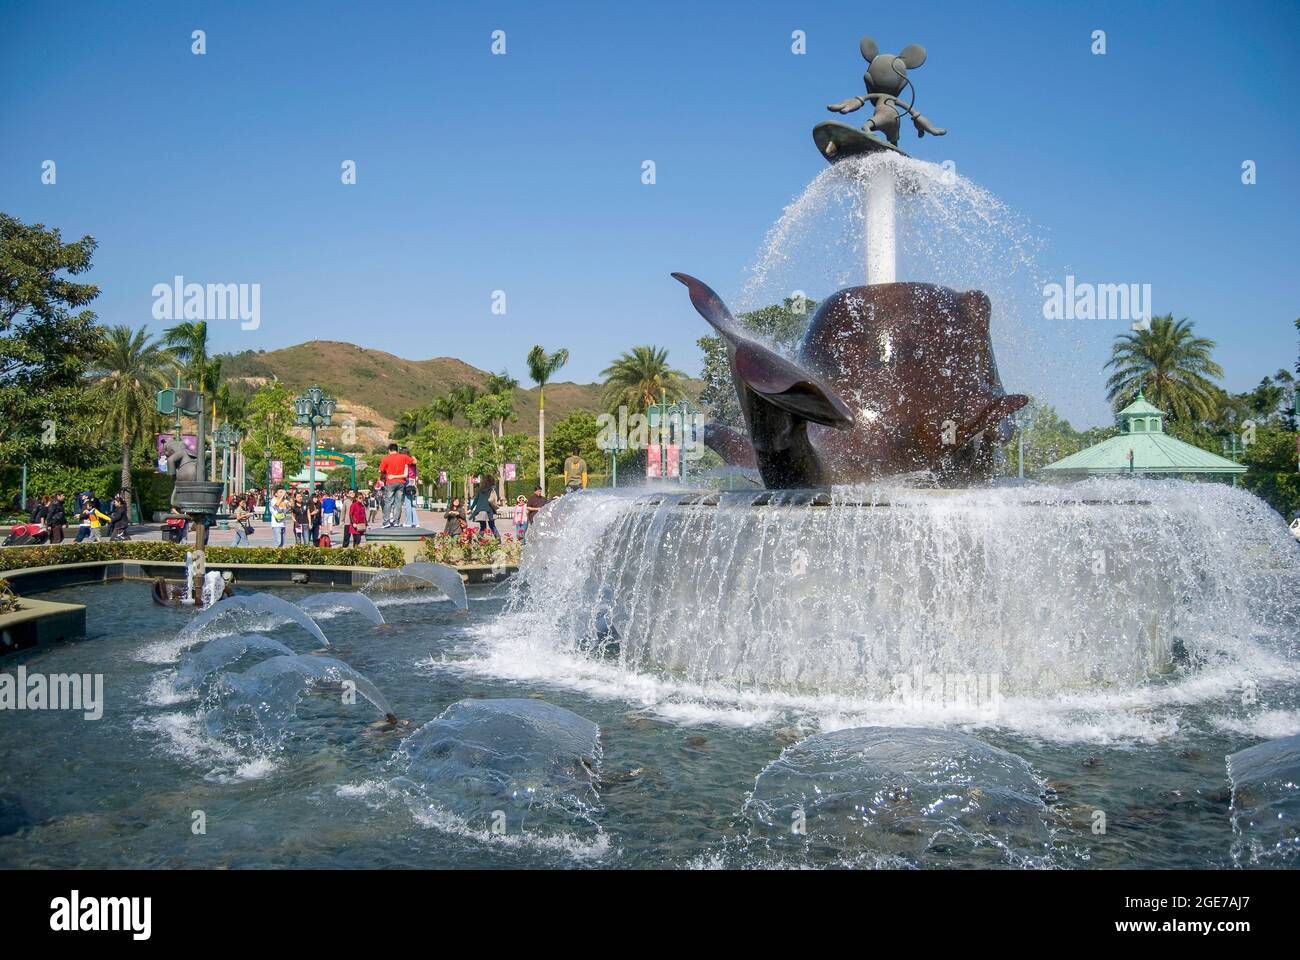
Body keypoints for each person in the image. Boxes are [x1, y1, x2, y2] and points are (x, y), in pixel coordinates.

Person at [378, 443, 412, 527]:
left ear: (389, 450)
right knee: (398, 503)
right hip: (401, 483)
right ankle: (396, 521)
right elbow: (413, 461)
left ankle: (386, 522)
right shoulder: (403, 457)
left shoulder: (386, 458)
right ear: (397, 449)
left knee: (388, 502)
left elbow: (380, 471)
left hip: (390, 482)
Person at [401, 448, 419, 527]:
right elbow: (416, 464)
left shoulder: (406, 460)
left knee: (407, 502)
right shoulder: (412, 459)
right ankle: (415, 522)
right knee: (411, 503)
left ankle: (409, 522)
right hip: (413, 481)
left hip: (407, 481)